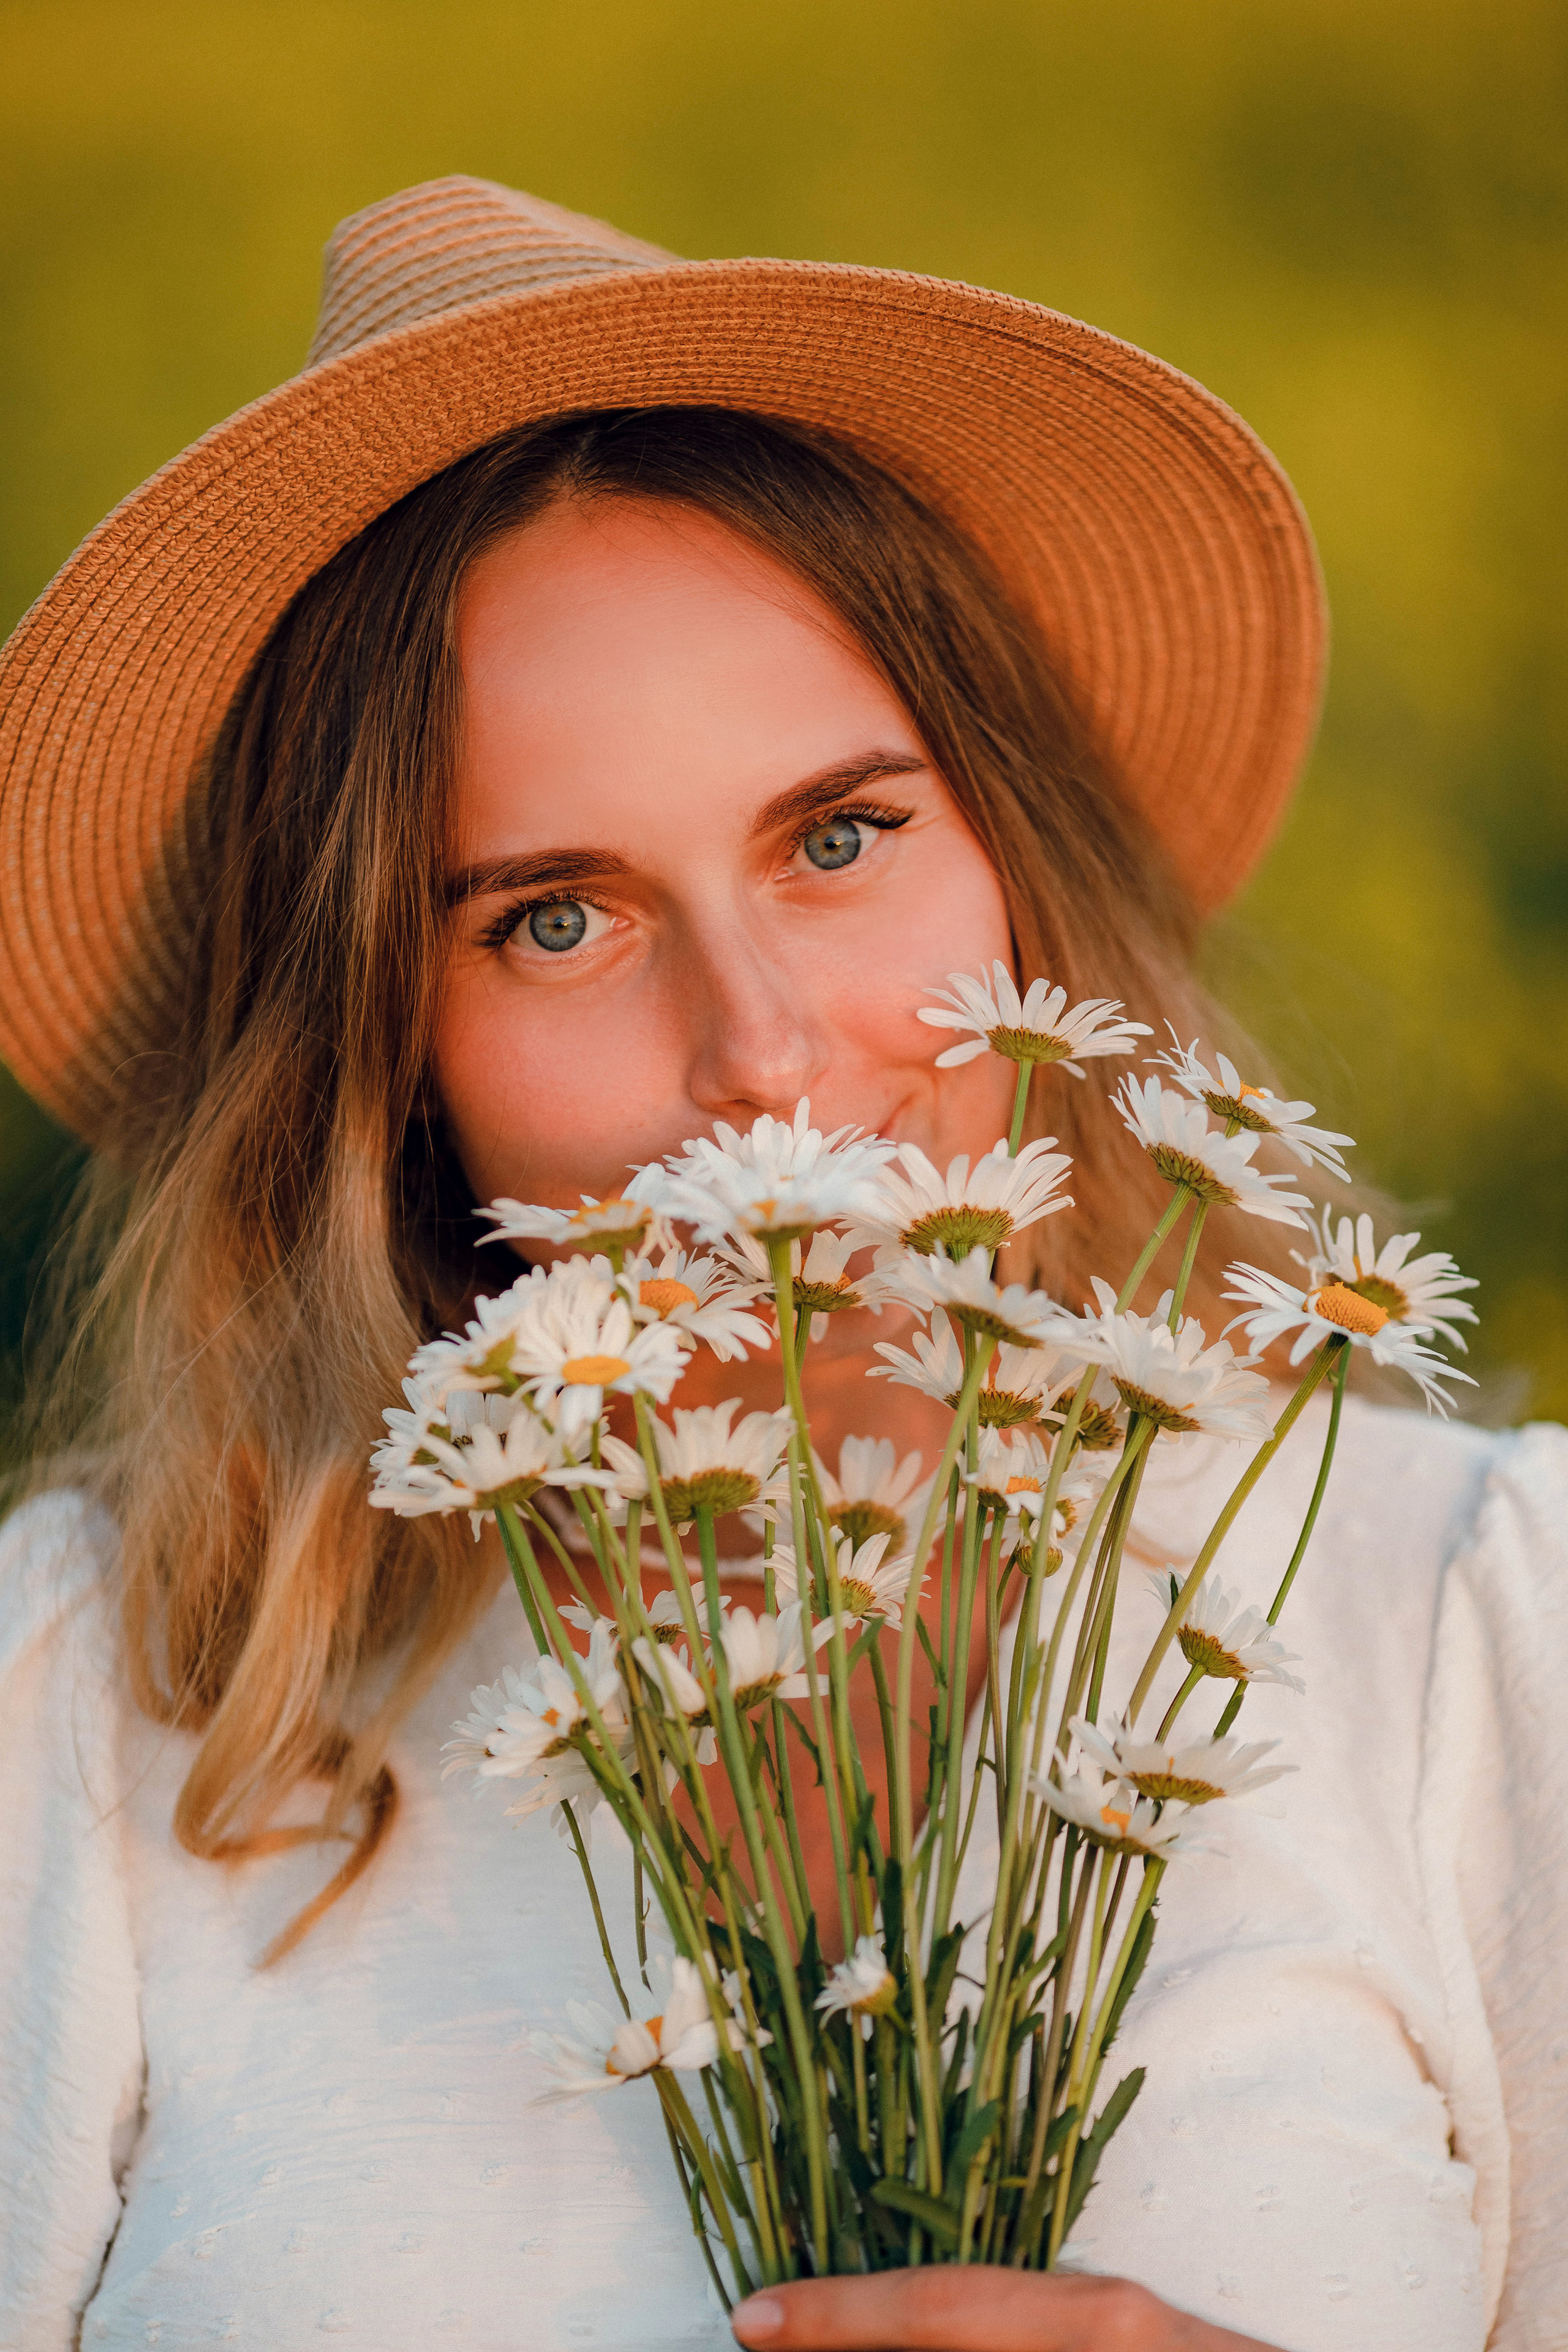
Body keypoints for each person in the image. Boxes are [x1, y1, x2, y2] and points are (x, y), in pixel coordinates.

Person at [0, 177, 1561, 2352]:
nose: (760, 1059)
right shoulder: (86, 1700)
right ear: (377, 1052)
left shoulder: (1476, 1624)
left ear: (1012, 858)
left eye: (839, 838)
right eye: (555, 916)